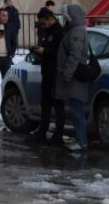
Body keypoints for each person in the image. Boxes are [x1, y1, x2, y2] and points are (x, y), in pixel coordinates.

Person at [56, 4, 90, 151]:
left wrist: (67, 74)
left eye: (65, 16)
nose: (64, 18)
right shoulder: (76, 30)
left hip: (74, 78)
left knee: (77, 110)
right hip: (73, 76)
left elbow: (75, 55)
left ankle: (81, 141)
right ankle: (80, 139)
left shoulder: (76, 32)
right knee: (76, 110)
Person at [30, 8, 66, 144]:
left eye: (43, 23)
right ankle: (42, 131)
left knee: (57, 104)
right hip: (47, 72)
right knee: (45, 103)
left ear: (50, 19)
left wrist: (45, 51)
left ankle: (58, 134)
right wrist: (38, 49)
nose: (42, 26)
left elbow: (60, 53)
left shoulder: (59, 32)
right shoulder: (48, 31)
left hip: (56, 72)